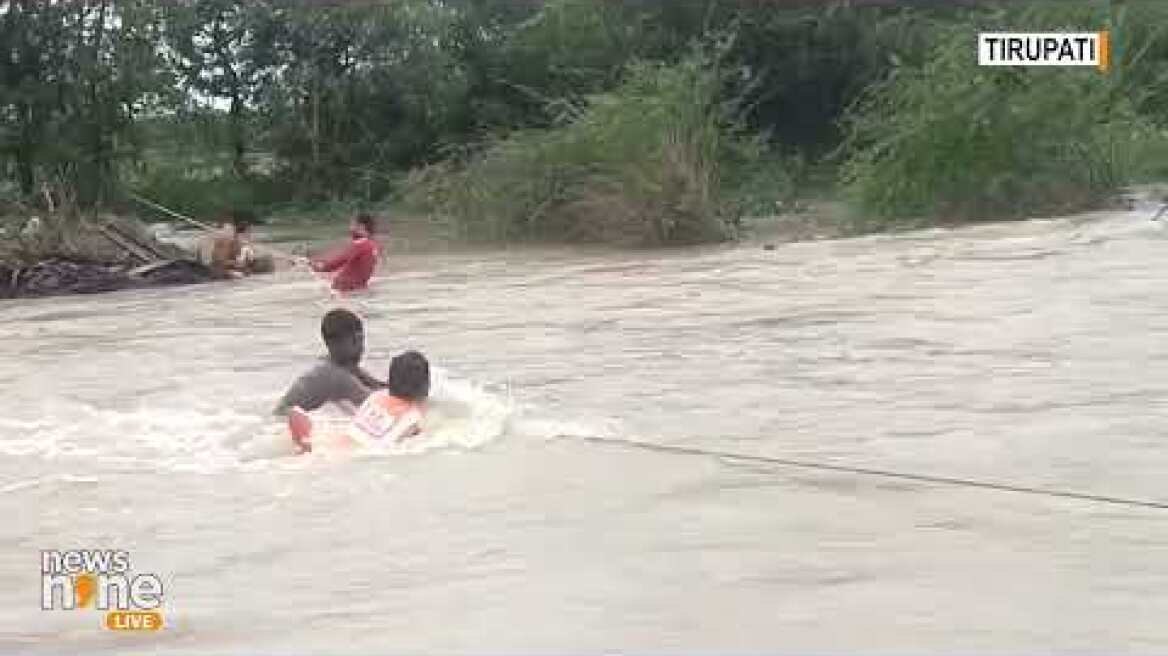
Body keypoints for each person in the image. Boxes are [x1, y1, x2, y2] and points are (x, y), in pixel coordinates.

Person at [288, 350, 430, 454]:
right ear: (425, 386)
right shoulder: (413, 415)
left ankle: (308, 443)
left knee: (338, 445)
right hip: (367, 451)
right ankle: (308, 447)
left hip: (350, 437)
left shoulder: (377, 397)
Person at [274, 309, 386, 423]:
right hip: (283, 420)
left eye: (361, 340)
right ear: (332, 344)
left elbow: (376, 385)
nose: (361, 347)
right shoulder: (333, 376)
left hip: (287, 415)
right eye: (356, 340)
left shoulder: (338, 365)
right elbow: (374, 402)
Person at [311, 213, 380, 292]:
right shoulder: (373, 245)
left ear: (361, 226)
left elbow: (332, 265)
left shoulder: (359, 244)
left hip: (344, 290)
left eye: (352, 225)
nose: (350, 228)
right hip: (359, 288)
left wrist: (312, 264)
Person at [201, 209, 256, 279]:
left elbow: (241, 259)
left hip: (227, 266)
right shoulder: (223, 241)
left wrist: (245, 256)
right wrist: (231, 270)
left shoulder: (236, 241)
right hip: (214, 268)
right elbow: (217, 262)